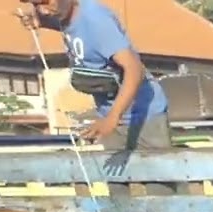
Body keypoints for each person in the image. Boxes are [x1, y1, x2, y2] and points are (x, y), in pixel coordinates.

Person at [17, 0, 171, 151]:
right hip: (109, 117)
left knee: (156, 174)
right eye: (36, 5)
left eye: (45, 2)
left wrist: (112, 119)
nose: (42, 10)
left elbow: (134, 69)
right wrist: (41, 23)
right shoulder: (65, 14)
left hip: (143, 118)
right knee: (119, 177)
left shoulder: (97, 20)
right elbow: (77, 27)